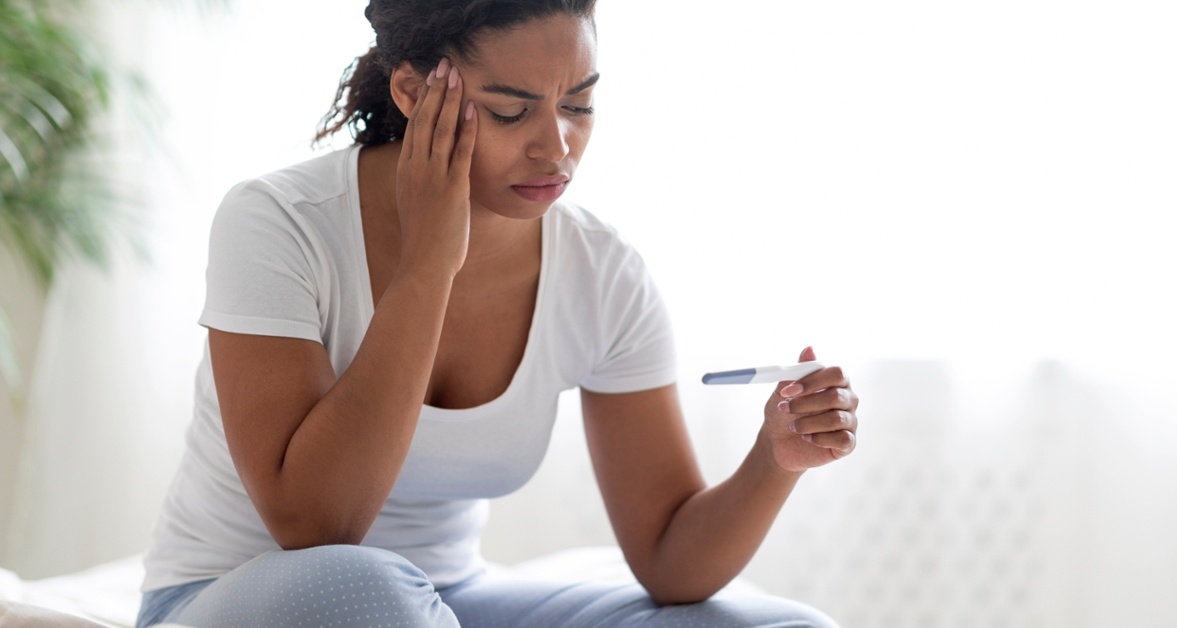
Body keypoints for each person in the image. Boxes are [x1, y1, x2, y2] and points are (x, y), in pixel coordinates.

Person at [136, 1, 860, 626]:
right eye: (511, 110)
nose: (557, 148)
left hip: (448, 604)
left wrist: (774, 458)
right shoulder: (279, 222)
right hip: (236, 598)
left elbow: (669, 561)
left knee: (786, 626)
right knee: (370, 593)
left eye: (578, 104)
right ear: (416, 92)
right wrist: (427, 269)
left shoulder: (600, 270)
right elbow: (315, 525)